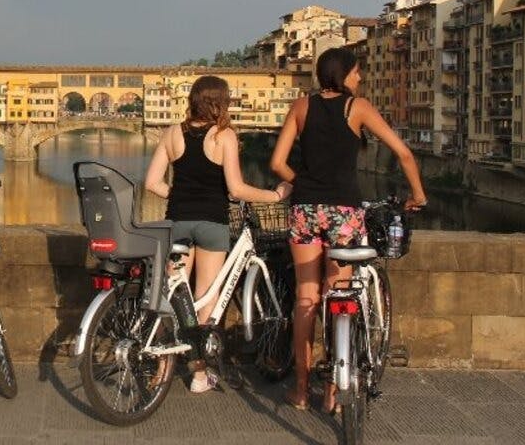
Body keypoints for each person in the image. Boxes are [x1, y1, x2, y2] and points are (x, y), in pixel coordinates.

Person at [270, 47, 427, 413]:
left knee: (306, 297)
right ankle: (334, 393)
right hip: (345, 213)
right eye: (357, 72)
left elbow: (277, 163)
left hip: (305, 211)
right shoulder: (358, 107)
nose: (360, 79)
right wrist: (417, 194)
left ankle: (301, 390)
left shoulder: (301, 107)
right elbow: (403, 153)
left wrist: (307, 185)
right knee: (338, 294)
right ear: (343, 75)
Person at [145, 75, 292, 393]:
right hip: (212, 225)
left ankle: (162, 365)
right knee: (204, 301)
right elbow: (236, 188)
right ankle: (198, 376)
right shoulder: (224, 136)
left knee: (173, 298)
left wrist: (181, 195)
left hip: (178, 222)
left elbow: (152, 184)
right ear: (220, 102)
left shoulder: (172, 133)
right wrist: (276, 196)